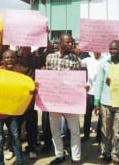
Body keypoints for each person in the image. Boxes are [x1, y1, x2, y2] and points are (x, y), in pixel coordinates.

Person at [45, 33, 81, 165]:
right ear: (60, 43)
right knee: (55, 129)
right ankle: (59, 155)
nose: (71, 44)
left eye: (72, 42)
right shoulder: (50, 57)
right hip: (54, 101)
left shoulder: (76, 60)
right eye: (68, 42)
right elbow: (46, 77)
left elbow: (79, 80)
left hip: (70, 101)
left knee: (75, 130)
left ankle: (76, 158)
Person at [94, 40, 119, 164]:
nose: (113, 51)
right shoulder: (104, 63)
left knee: (118, 132)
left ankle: (116, 155)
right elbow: (99, 83)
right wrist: (96, 102)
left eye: (116, 49)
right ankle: (106, 152)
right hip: (105, 102)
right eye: (111, 49)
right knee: (106, 130)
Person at [80, 52, 104, 142]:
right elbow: (77, 63)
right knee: (87, 115)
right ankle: (86, 135)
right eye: (95, 50)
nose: (97, 52)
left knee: (101, 117)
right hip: (90, 92)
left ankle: (99, 136)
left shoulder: (105, 60)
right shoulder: (88, 60)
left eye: (99, 50)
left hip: (101, 93)